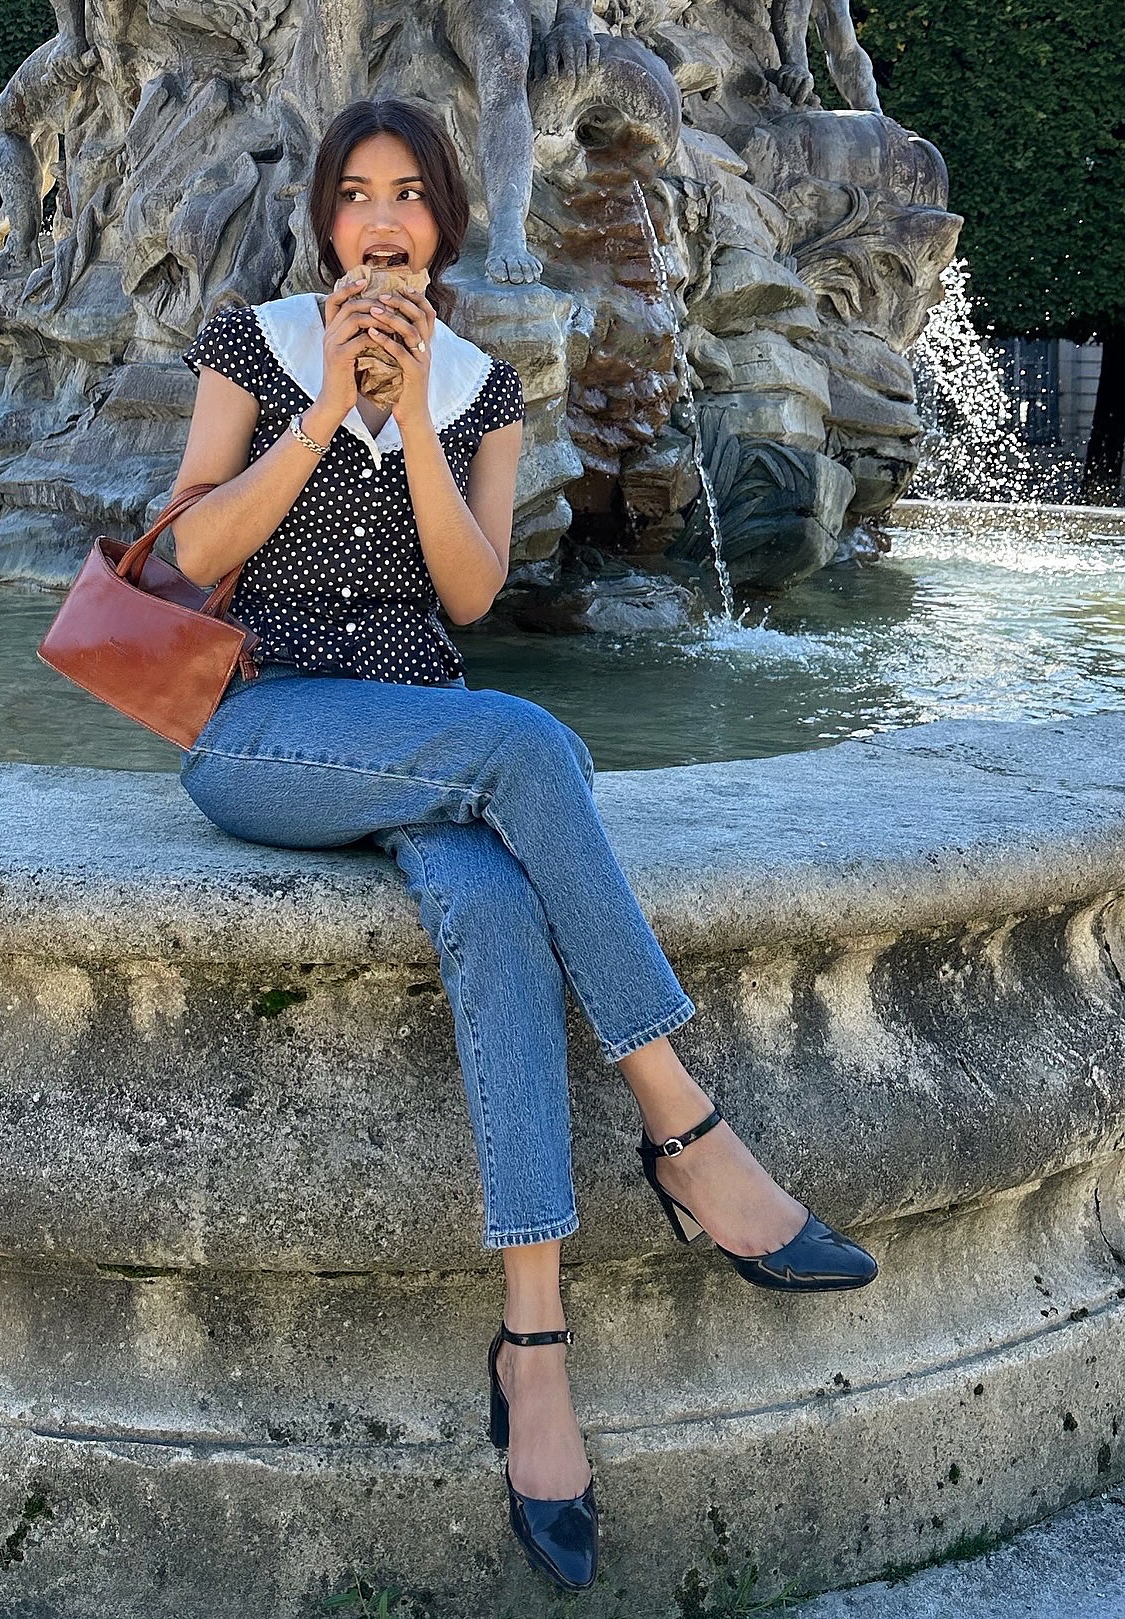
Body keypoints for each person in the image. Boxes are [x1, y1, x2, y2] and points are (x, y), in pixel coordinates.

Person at [167, 96, 877, 1596]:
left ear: (444, 225)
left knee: (493, 907)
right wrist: (324, 411)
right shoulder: (256, 344)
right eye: (356, 195)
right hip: (267, 729)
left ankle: (533, 1344)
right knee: (536, 746)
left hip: (427, 735)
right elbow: (192, 554)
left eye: (409, 196)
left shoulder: (481, 386)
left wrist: (416, 414)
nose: (382, 220)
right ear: (324, 220)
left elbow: (471, 596)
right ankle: (684, 1127)